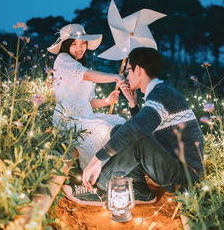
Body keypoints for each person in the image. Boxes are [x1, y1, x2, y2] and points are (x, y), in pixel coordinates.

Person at [63, 47, 205, 206]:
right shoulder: (159, 92)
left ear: (138, 70)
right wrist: (132, 104)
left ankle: (100, 189)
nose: (127, 76)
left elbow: (138, 129)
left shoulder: (162, 93)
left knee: (133, 136)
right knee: (120, 130)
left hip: (184, 175)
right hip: (175, 166)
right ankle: (140, 190)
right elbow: (145, 128)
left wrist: (98, 159)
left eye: (129, 71)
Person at [48, 23, 126, 170]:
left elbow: (88, 102)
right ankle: (96, 174)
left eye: (83, 43)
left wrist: (106, 101)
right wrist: (115, 77)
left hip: (85, 116)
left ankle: (116, 170)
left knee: (119, 122)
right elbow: (88, 75)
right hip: (69, 119)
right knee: (105, 128)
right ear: (65, 46)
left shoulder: (79, 66)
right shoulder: (63, 60)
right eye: (74, 44)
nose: (80, 47)